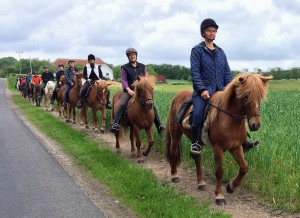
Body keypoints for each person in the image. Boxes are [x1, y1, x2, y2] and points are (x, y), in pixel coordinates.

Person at [190, 18, 259, 155]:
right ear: (203, 33)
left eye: (214, 31)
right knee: (197, 113)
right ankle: (196, 142)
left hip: (222, 91)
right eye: (209, 31)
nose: (212, 33)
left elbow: (227, 73)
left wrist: (233, 88)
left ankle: (243, 141)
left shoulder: (221, 52)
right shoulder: (197, 50)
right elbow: (195, 73)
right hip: (204, 91)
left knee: (239, 110)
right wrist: (202, 89)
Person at [110, 48, 165, 134]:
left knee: (152, 104)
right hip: (129, 91)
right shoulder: (125, 67)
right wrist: (128, 90)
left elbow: (146, 78)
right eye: (131, 55)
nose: (132, 56)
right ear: (128, 57)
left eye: (134, 55)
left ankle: (159, 125)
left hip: (141, 91)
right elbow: (124, 80)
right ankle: (115, 123)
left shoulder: (142, 66)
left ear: (136, 56)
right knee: (123, 103)